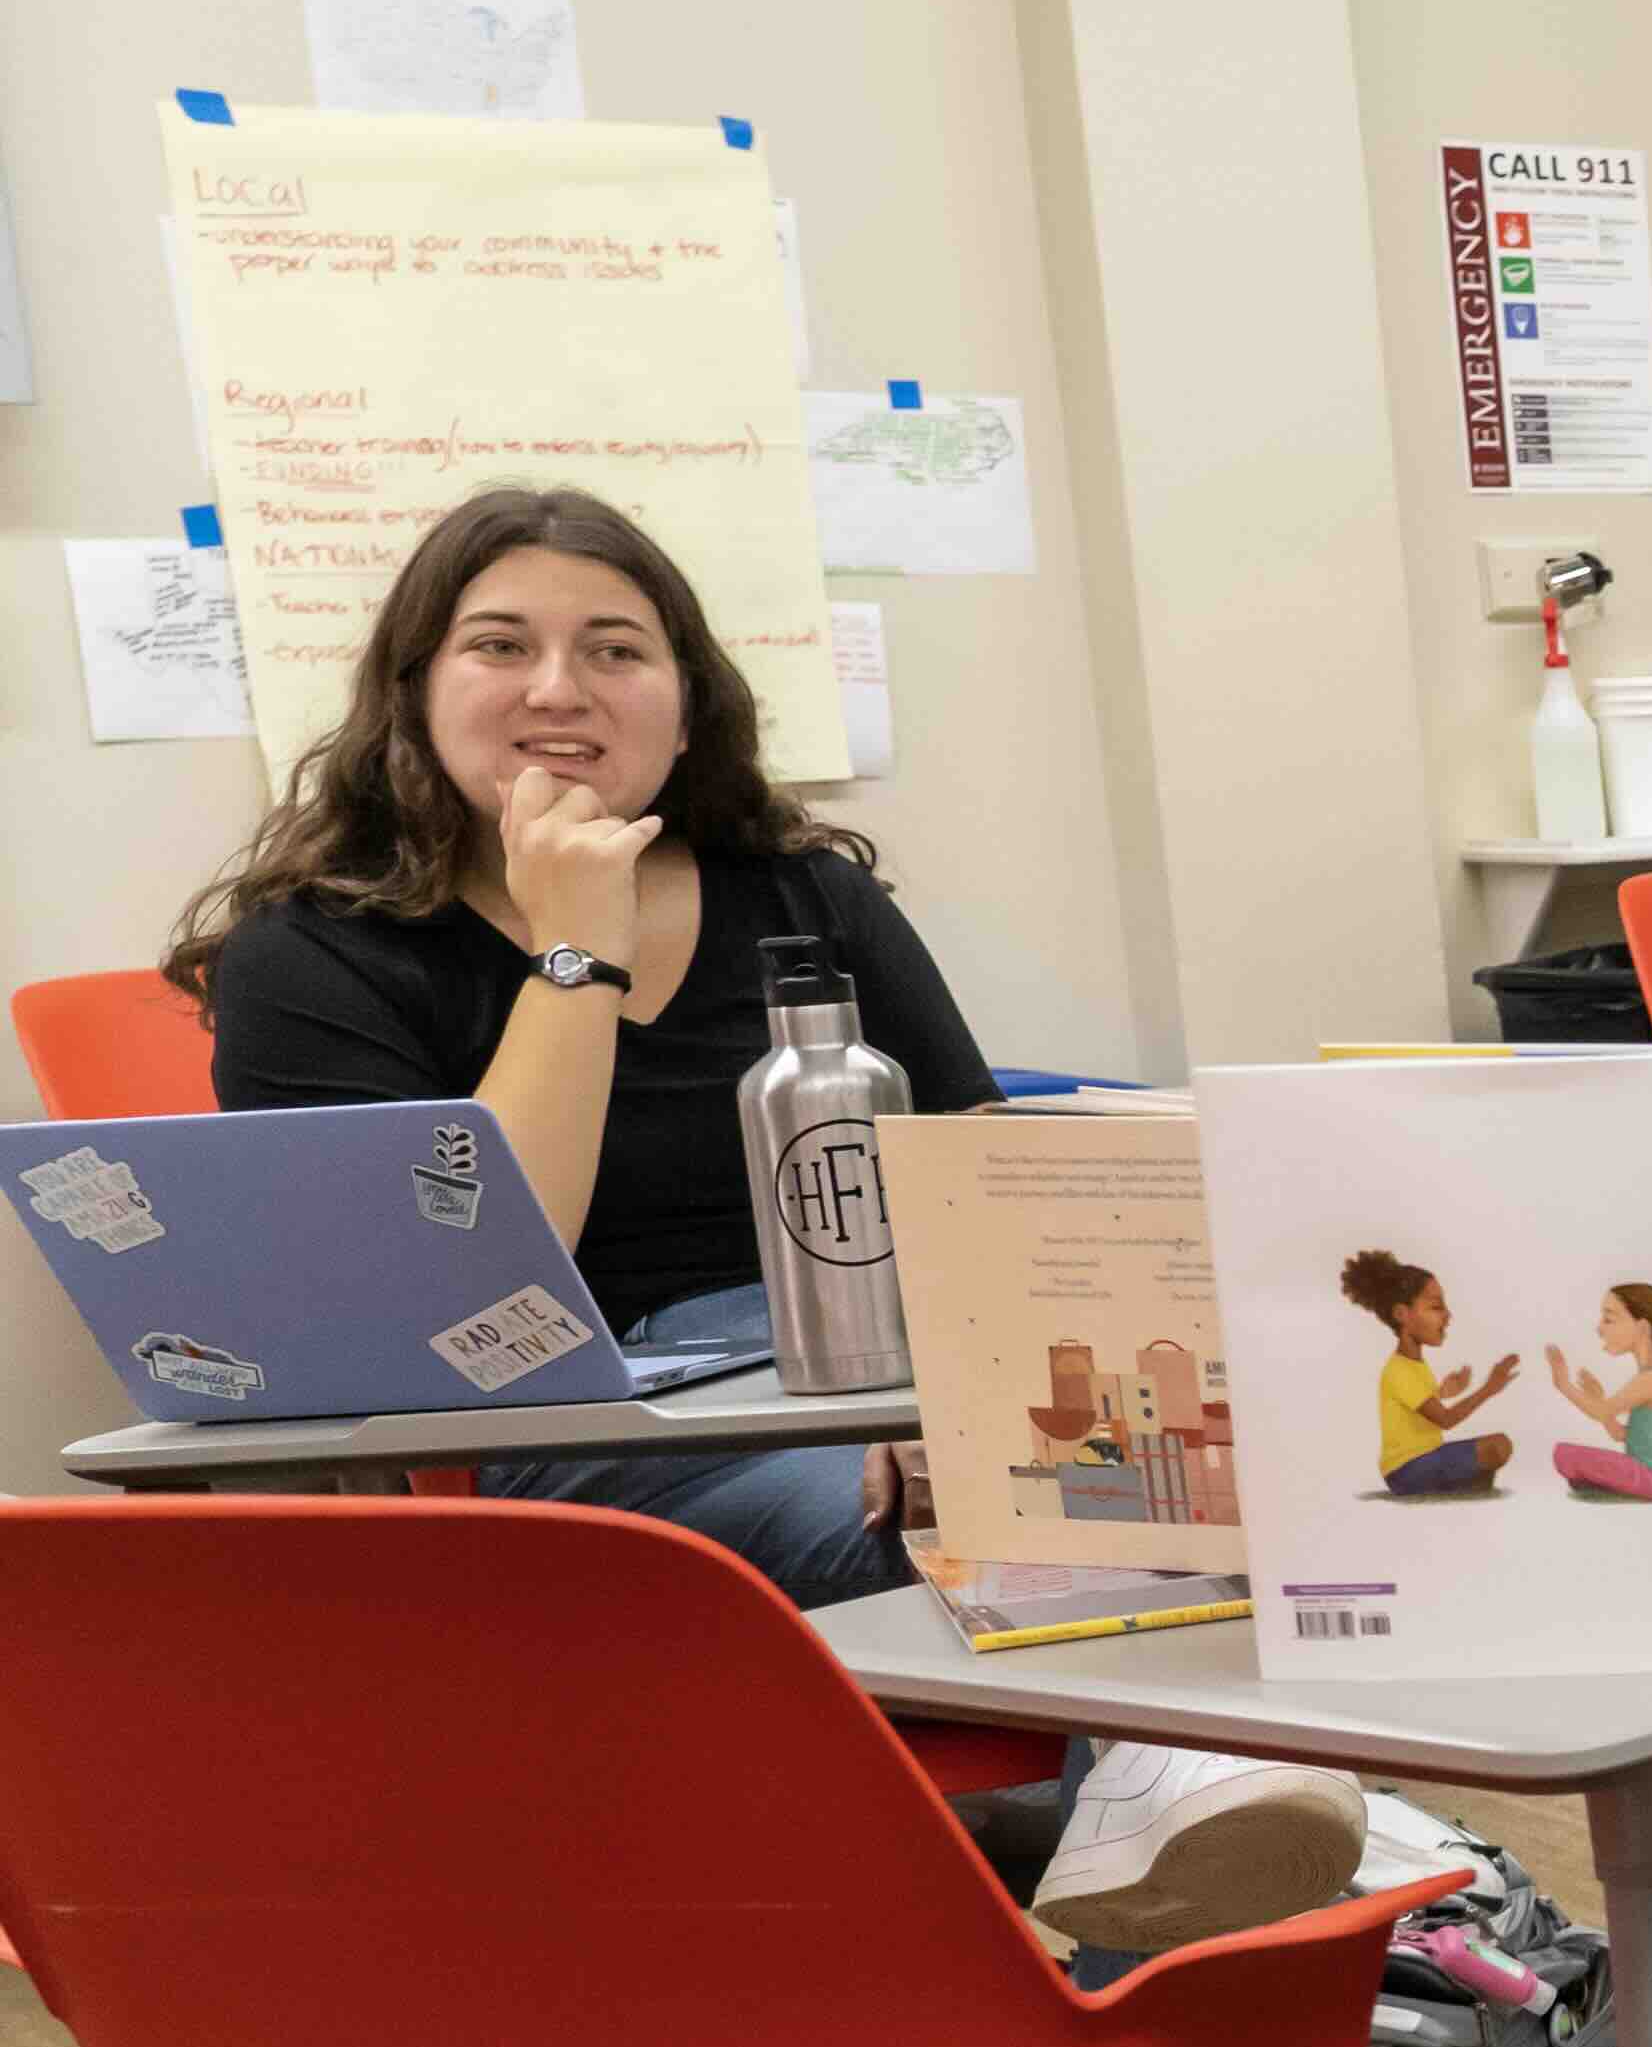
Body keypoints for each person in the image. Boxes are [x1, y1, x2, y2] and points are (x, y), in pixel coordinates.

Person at [171, 485, 1371, 1968]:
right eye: (501, 645)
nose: (559, 689)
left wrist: (961, 1392)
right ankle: (1210, 1932)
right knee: (1025, 1534)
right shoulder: (315, 953)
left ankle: (1186, 1960)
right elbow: (463, 1301)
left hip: (876, 1374)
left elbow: (975, 1179)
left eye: (616, 648)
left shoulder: (804, 894)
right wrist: (570, 954)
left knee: (1204, 1450)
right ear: (415, 693)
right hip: (586, 1417)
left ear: (686, 704)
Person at [1340, 1252, 1518, 1496]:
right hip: (1408, 1469)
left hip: (1425, 1460)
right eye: (1436, 1307)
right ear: (1402, 1314)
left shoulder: (1414, 1364)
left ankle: (1460, 1487)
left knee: (1496, 1448)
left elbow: (1419, 1408)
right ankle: (1458, 1487)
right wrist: (1490, 1387)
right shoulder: (1399, 1370)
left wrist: (1444, 1392)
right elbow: (1445, 1420)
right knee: (1498, 1446)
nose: (1447, 1315)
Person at [1544, 1284, 1652, 1500]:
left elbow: (1599, 1412)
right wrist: (1599, 1398)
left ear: (1642, 1327)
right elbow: (1621, 1435)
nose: (1599, 1329)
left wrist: (1564, 1385)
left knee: (1564, 1455)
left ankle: (1610, 1487)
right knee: (1570, 1456)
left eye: (1609, 1319)